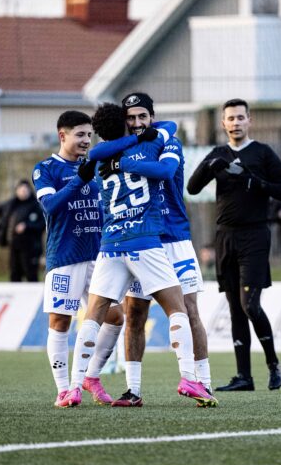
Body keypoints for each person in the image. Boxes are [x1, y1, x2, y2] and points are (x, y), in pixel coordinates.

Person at [62, 101, 217, 408]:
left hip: (120, 244)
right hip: (145, 240)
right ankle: (181, 379)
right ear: (124, 122)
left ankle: (74, 386)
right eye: (130, 118)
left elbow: (97, 157)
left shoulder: (100, 159)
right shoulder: (149, 145)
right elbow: (164, 145)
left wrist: (116, 159)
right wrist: (135, 147)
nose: (136, 123)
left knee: (94, 314)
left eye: (141, 117)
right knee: (169, 310)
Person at [187, 98, 281, 392]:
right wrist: (209, 166)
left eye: (240, 117)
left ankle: (273, 364)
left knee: (250, 305)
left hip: (254, 235)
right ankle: (244, 376)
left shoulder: (263, 153)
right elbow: (192, 188)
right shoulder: (218, 153)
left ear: (249, 120)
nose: (235, 123)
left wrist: (255, 182)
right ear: (223, 123)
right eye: (230, 118)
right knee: (235, 308)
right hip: (225, 236)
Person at [32, 111, 124, 408]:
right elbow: (50, 207)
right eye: (80, 134)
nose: (86, 140)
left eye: (89, 135)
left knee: (115, 317)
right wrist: (78, 181)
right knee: (60, 322)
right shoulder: (46, 169)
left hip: (99, 256)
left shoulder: (97, 166)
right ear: (63, 135)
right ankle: (63, 390)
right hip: (65, 255)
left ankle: (90, 376)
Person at [0, 179, 45, 282]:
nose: (23, 192)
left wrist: (27, 226)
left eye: (25, 190)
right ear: (17, 191)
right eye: (21, 190)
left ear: (29, 191)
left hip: (31, 248)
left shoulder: (36, 206)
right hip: (13, 246)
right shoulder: (11, 204)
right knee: (14, 274)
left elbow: (42, 224)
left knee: (31, 275)